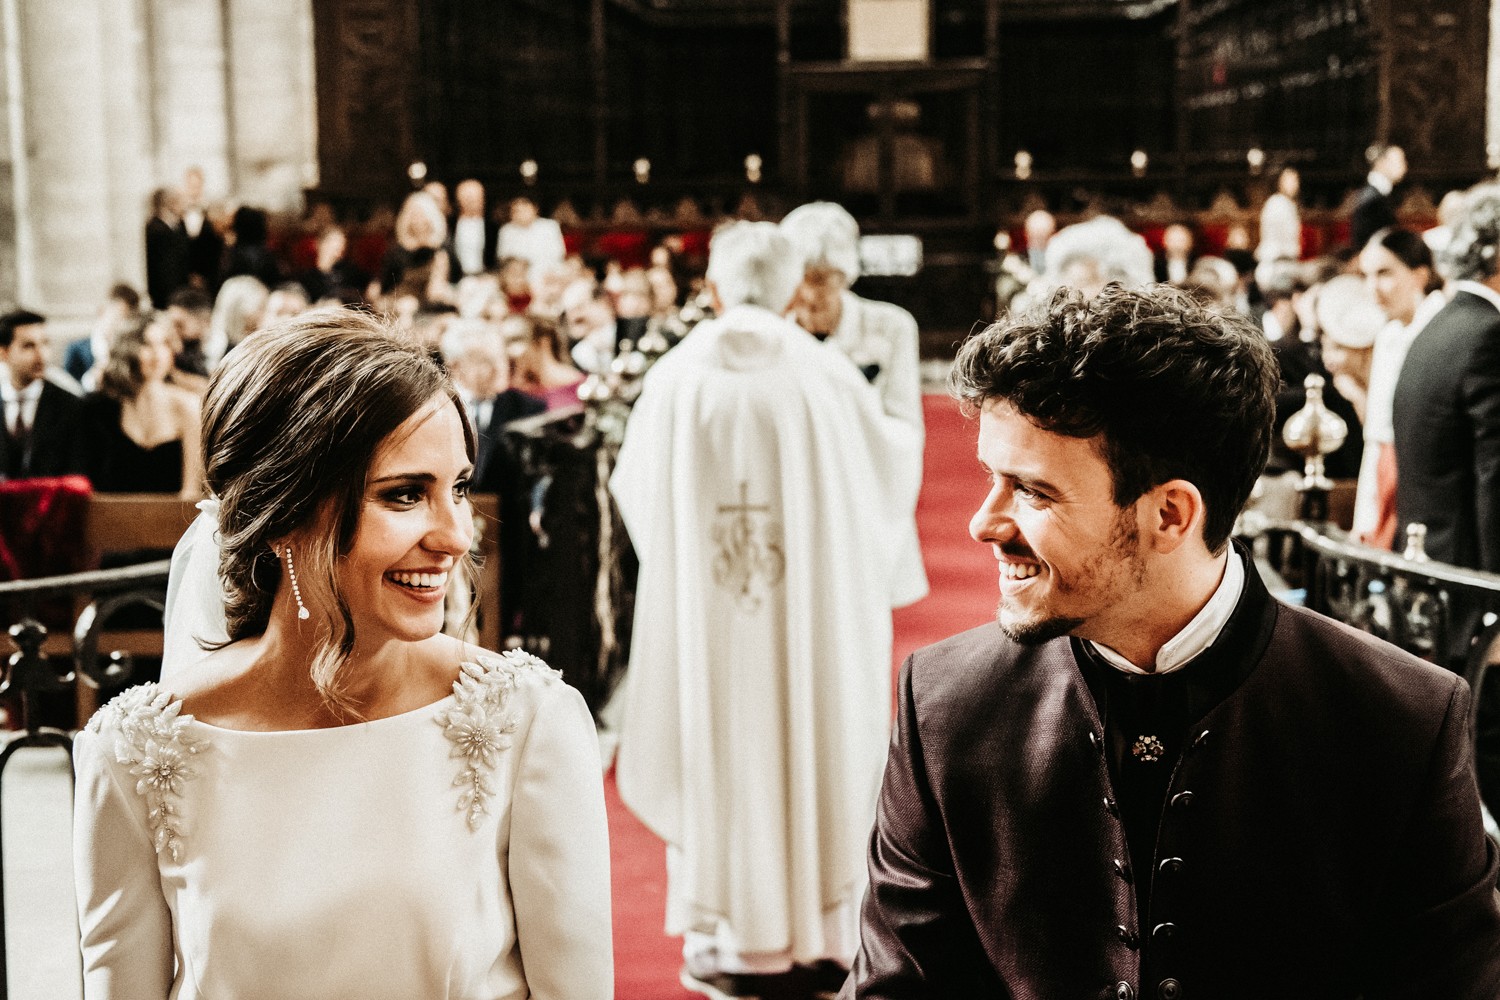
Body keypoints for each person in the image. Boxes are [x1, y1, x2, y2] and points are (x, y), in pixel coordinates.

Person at [843, 282, 1500, 999]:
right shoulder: (944, 705)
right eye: (991, 480)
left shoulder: (1402, 719)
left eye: (1032, 491)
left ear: (1169, 514)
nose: (984, 523)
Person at [72, 308, 612, 999]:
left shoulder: (523, 721)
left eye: (458, 488)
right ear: (283, 514)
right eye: (406, 495)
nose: (455, 535)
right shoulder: (140, 751)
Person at [610, 221, 922, 1000]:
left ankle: (726, 937)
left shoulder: (676, 377)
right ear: (791, 290)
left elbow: (636, 495)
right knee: (814, 741)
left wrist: (690, 567)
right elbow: (886, 472)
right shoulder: (826, 377)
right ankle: (819, 937)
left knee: (717, 740)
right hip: (810, 616)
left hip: (708, 618)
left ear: (713, 288)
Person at [1353, 228, 1446, 548]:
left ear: (1420, 275)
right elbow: (1377, 435)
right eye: (1366, 275)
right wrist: (1365, 516)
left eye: (1385, 273)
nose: (1372, 288)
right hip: (1386, 474)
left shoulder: (1444, 331)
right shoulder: (1388, 335)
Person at [79, 315, 204, 497]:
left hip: (176, 519)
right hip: (115, 518)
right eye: (147, 344)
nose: (157, 354)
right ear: (127, 350)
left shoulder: (188, 406)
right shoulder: (102, 409)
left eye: (164, 344)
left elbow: (191, 493)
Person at [0, 309, 83, 479]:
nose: (41, 355)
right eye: (28, 346)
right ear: (3, 353)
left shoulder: (71, 406)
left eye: (45, 343)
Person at [1350, 144, 1407, 252]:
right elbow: (1365, 241)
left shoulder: (1380, 194)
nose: (1405, 166)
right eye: (1399, 161)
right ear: (1381, 163)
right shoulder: (1371, 198)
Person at [497, 196, 566, 278]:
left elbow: (559, 253)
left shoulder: (550, 226)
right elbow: (503, 257)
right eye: (516, 211)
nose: (521, 214)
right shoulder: (506, 230)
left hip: (548, 274)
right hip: (518, 277)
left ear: (535, 209)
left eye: (525, 209)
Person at [1256, 166, 1302, 264]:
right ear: (1280, 182)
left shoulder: (1289, 204)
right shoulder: (1276, 204)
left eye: (1295, 180)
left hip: (1287, 259)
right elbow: (1276, 238)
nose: (1294, 185)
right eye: (1289, 180)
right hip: (1275, 260)